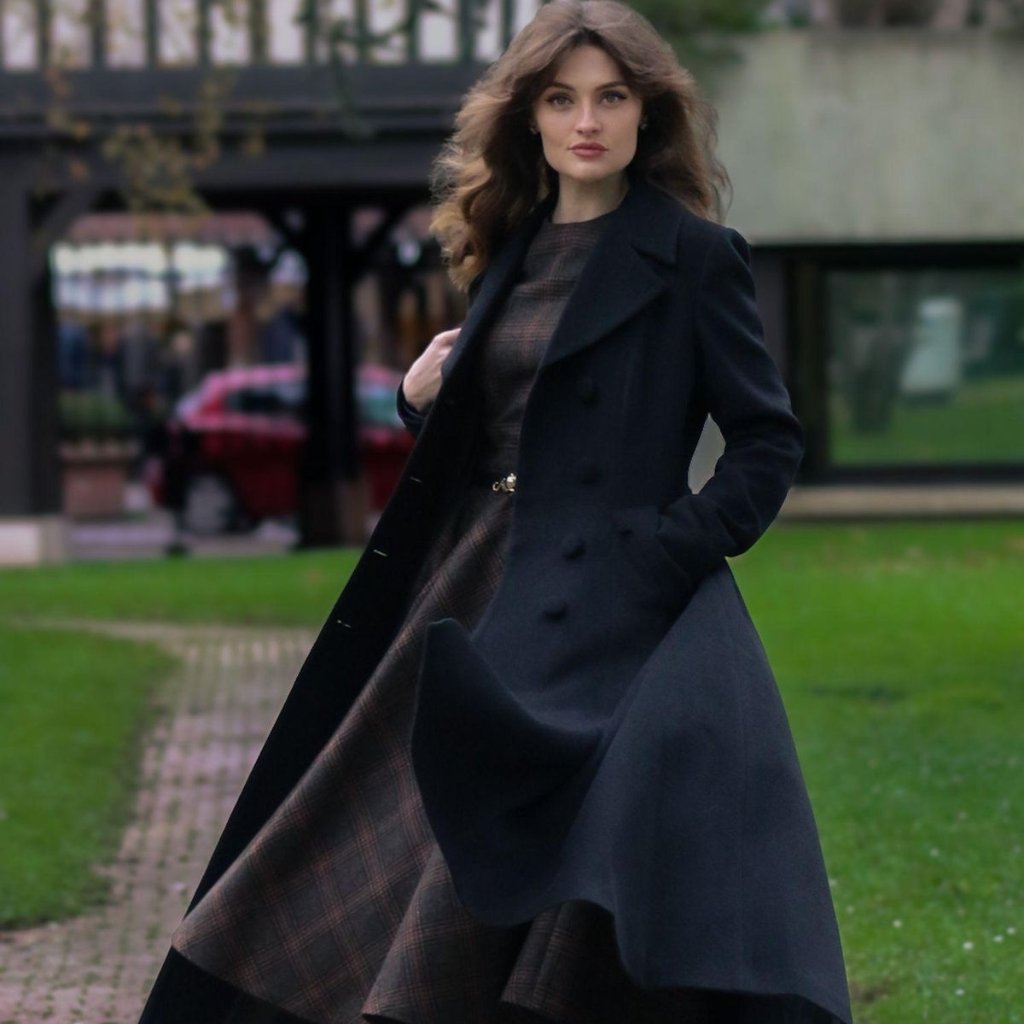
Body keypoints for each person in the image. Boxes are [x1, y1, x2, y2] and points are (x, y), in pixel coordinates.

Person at [139, 2, 851, 1022]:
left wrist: (663, 549)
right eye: (561, 99)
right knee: (384, 837)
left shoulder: (696, 254)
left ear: (647, 116)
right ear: (530, 120)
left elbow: (768, 441)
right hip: (484, 578)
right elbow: (513, 420)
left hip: (625, 604)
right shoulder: (507, 247)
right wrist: (423, 398)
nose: (587, 121)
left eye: (611, 97)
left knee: (573, 850)